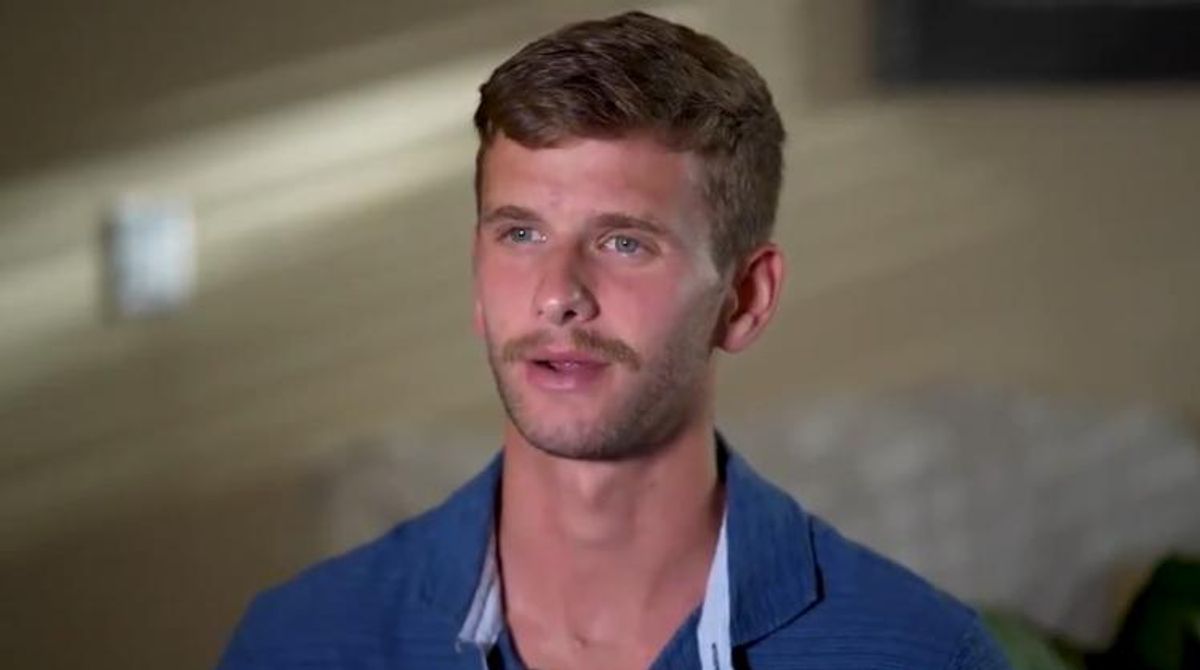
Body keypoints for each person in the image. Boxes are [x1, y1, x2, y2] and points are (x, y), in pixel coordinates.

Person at [218, 11, 1011, 670]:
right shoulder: (298, 643)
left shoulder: (925, 656)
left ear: (745, 298)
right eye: (521, 234)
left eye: (625, 242)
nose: (557, 293)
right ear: (476, 278)